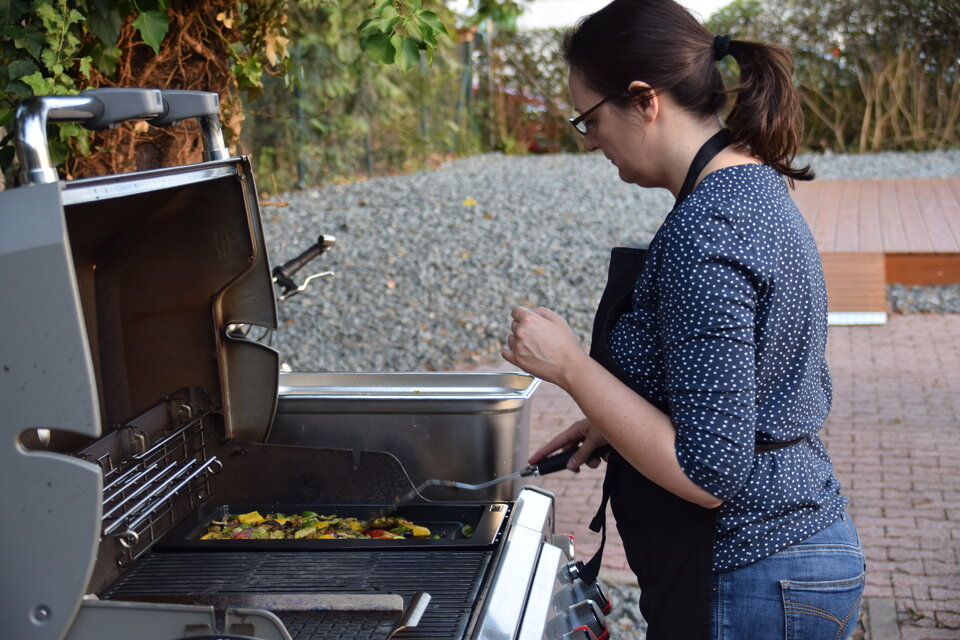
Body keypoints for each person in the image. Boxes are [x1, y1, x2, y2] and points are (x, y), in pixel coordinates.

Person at [501, 1, 866, 638]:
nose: (589, 143)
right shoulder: (750, 186)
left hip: (753, 569)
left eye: (588, 120)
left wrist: (571, 368)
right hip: (789, 551)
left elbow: (708, 473)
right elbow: (739, 380)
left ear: (644, 100)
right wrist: (617, 412)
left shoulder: (707, 230)